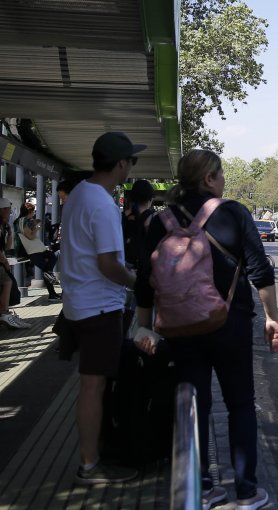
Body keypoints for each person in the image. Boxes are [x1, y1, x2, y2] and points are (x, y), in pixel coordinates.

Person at [134, 149, 278, 510]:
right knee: (241, 405)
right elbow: (260, 270)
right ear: (208, 178)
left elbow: (143, 282)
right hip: (229, 324)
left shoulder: (158, 221)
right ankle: (247, 491)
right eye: (221, 173)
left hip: (179, 329)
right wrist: (270, 317)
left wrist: (143, 330)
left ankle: (203, 487)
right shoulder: (231, 213)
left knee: (193, 405)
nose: (224, 179)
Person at [60, 131, 143, 484]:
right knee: (93, 387)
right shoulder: (103, 204)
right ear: (121, 164)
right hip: (99, 308)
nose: (131, 170)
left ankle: (94, 454)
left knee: (92, 385)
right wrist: (138, 281)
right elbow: (109, 264)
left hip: (79, 303)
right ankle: (90, 464)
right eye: (131, 162)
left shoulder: (79, 193)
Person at [16, 202, 61, 301]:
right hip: (33, 251)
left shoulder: (25, 220)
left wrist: (34, 224)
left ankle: (52, 293)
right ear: (29, 211)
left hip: (37, 249)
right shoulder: (22, 221)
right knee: (49, 266)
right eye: (33, 211)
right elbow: (30, 236)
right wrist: (37, 228)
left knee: (49, 266)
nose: (34, 213)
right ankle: (52, 294)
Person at [0, 198, 31, 329]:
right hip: (1, 261)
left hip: (2, 260)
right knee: (7, 282)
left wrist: (10, 232)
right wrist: (5, 262)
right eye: (7, 210)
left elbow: (6, 247)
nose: (9, 212)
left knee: (7, 282)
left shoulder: (4, 226)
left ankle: (5, 313)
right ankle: (4, 313)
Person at [122, 179, 155, 270]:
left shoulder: (123, 216)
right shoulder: (153, 218)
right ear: (150, 199)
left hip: (123, 264)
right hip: (144, 267)